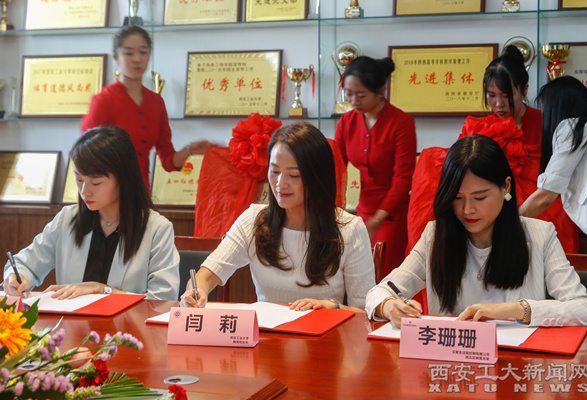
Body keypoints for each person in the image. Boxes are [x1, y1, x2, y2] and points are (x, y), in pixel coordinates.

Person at [366, 134, 587, 328]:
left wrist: (516, 310)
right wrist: (388, 306)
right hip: (451, 362)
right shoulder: (435, 236)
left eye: (479, 197)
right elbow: (379, 292)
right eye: (458, 198)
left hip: (516, 362)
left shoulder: (539, 235)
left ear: (506, 187)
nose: (468, 209)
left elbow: (585, 310)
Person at [181, 122, 376, 312]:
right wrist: (196, 291)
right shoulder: (254, 220)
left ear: (317, 177)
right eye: (274, 171)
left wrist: (333, 307)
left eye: (294, 175)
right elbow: (207, 274)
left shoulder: (349, 228)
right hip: (267, 332)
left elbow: (366, 312)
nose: (280, 184)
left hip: (326, 332)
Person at [407, 45, 579, 257]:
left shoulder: (546, 123)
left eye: (506, 96)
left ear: (524, 90)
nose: (498, 104)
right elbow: (458, 168)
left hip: (539, 210)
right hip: (487, 216)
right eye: (491, 96)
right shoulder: (478, 128)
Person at [2, 126, 180, 301]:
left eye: (96, 183)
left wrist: (103, 290)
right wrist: (16, 277)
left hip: (128, 322)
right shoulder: (68, 219)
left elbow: (163, 299)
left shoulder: (156, 228)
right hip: (70, 320)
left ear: (124, 179)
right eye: (79, 180)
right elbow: (24, 264)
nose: (84, 191)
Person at [81, 25, 213, 188]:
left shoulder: (156, 102)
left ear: (149, 55)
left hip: (141, 192)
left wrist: (189, 150)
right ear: (116, 57)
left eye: (143, 52)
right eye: (129, 53)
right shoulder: (104, 101)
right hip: (107, 193)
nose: (137, 59)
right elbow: (86, 156)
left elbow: (168, 161)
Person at [334, 56, 416, 278]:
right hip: (362, 212)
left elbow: (403, 179)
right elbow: (336, 167)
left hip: (392, 215)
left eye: (361, 95)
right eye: (349, 94)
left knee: (384, 276)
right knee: (357, 277)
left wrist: (377, 220)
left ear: (380, 91)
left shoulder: (401, 123)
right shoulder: (346, 122)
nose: (354, 101)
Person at [520, 76, 587, 254]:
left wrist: (511, 221)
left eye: (544, 109)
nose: (543, 115)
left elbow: (546, 195)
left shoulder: (572, 127)